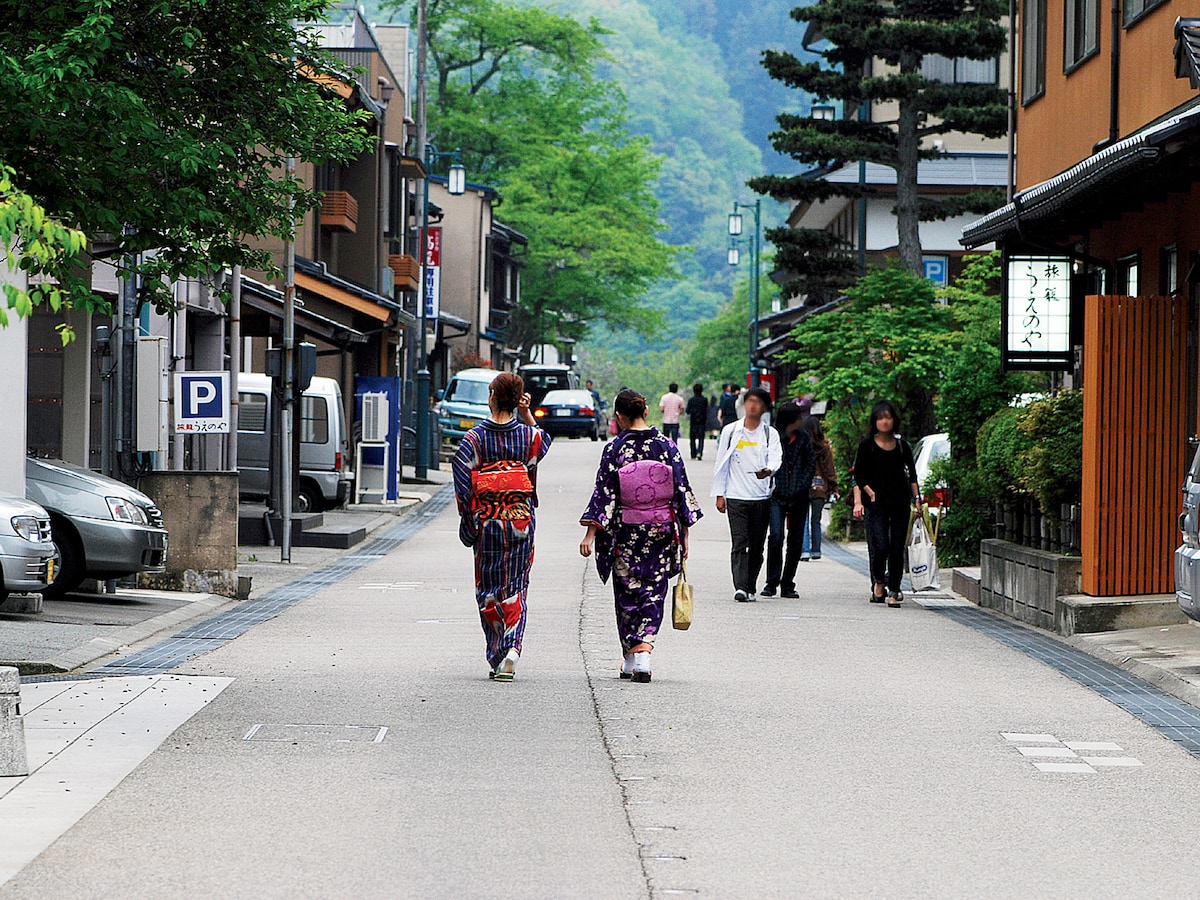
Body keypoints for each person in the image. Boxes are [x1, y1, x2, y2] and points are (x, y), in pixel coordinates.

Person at [580, 390, 702, 683]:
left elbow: (605, 494)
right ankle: (639, 656)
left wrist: (590, 533)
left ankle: (634, 655)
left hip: (626, 531)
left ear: (619, 417)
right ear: (646, 412)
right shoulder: (666, 447)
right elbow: (681, 493)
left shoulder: (615, 450)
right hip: (660, 530)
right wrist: (683, 536)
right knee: (653, 589)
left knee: (627, 593)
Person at [452, 373, 552, 681]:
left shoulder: (475, 439)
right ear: (518, 399)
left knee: (488, 590)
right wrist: (526, 415)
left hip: (489, 521)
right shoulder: (528, 437)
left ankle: (498, 652)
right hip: (521, 520)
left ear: (492, 395)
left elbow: (462, 480)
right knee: (516, 586)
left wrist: (470, 522)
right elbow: (542, 445)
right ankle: (512, 648)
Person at [711, 387, 781, 602]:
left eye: (758, 402)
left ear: (765, 407)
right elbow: (722, 462)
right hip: (736, 495)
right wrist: (720, 494)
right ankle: (741, 586)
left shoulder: (770, 434)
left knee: (757, 544)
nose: (753, 406)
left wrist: (768, 470)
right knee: (740, 542)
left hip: (760, 496)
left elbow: (775, 458)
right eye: (749, 401)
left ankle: (750, 584)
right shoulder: (731, 431)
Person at [852, 400, 922, 608]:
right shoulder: (867, 446)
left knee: (896, 547)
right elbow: (858, 474)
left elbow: (912, 475)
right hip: (876, 503)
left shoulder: (902, 446)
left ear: (894, 420)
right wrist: (869, 492)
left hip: (899, 501)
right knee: (880, 545)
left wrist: (917, 499)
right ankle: (879, 581)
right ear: (875, 421)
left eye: (888, 417)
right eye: (881, 418)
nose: (885, 421)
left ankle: (894, 589)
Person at [761, 402, 815, 598]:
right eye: (798, 418)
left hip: (800, 496)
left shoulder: (804, 439)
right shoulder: (774, 437)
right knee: (775, 537)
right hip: (778, 494)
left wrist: (802, 484)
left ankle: (787, 582)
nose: (801, 421)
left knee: (796, 540)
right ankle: (771, 582)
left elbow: (810, 464)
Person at [800, 415, 839, 561]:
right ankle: (816, 550)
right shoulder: (825, 447)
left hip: (804, 486)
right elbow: (830, 470)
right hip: (821, 487)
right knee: (816, 520)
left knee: (803, 519)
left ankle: (804, 551)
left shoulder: (802, 446)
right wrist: (834, 487)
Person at [685, 383, 709, 461]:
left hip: (693, 421)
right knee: (701, 437)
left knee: (692, 438)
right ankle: (699, 452)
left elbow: (687, 411)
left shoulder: (691, 400)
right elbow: (706, 410)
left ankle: (693, 453)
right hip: (702, 421)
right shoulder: (704, 400)